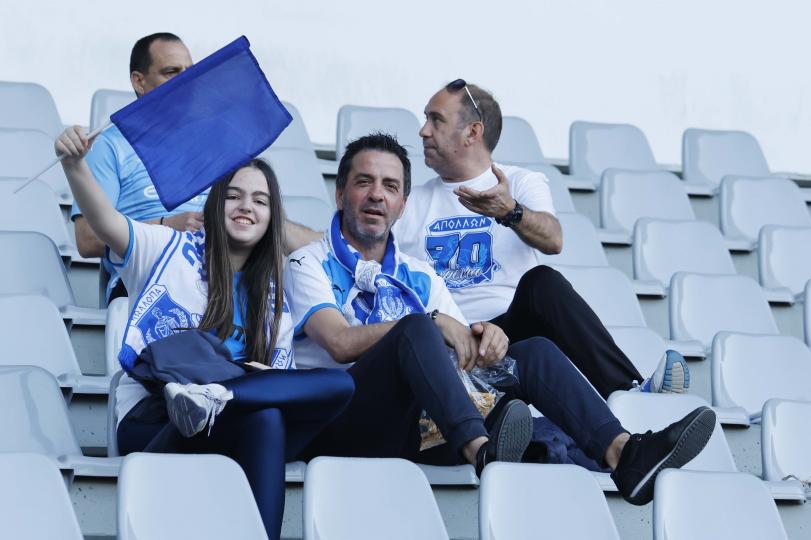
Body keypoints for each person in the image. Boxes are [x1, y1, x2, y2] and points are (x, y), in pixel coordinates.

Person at [285, 133, 715, 505]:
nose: (377, 195)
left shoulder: (419, 274)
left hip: (415, 428)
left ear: (402, 205)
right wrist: (431, 322)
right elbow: (339, 343)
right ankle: (482, 451)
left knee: (534, 353)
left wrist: (489, 338)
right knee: (417, 327)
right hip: (342, 425)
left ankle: (625, 454)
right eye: (364, 182)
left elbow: (463, 355)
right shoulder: (308, 262)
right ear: (340, 194)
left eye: (390, 186)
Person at [56, 126, 354, 540]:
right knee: (267, 417)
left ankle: (215, 396)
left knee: (338, 386)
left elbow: (276, 386)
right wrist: (75, 166)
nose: (246, 206)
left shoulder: (276, 298)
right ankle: (211, 402)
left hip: (235, 419)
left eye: (260, 200)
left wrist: (234, 391)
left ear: (273, 218)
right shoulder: (166, 248)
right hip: (158, 419)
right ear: (214, 204)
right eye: (234, 196)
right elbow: (105, 223)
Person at [393, 79, 688, 399]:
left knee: (543, 282)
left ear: (473, 132)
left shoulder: (520, 183)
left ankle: (630, 395)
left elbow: (553, 240)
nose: (423, 131)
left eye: (436, 120)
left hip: (510, 335)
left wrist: (510, 211)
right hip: (445, 341)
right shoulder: (410, 203)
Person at [72, 32, 210, 301]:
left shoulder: (212, 143)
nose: (185, 80)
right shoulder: (107, 145)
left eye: (190, 71)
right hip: (148, 280)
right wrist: (165, 228)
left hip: (216, 274)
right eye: (171, 72)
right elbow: (87, 240)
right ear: (139, 81)